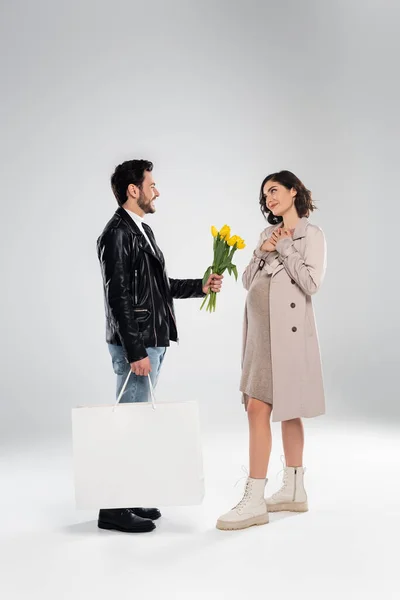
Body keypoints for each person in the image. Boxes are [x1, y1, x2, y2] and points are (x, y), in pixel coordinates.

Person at [97, 159, 223, 533]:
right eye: (151, 184)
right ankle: (112, 508)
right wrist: (135, 350)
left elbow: (158, 287)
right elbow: (117, 297)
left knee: (137, 423)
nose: (157, 190)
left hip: (152, 340)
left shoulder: (143, 230)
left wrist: (199, 285)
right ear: (132, 190)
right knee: (128, 423)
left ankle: (129, 495)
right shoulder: (116, 233)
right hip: (136, 345)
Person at [216, 170, 327, 531]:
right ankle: (293, 492)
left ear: (294, 191)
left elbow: (311, 282)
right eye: (265, 195)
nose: (269, 199)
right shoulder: (267, 234)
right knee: (265, 407)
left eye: (275, 191)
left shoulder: (312, 235)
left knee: (268, 409)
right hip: (259, 335)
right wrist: (263, 252)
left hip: (289, 337)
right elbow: (248, 281)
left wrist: (283, 247)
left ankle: (255, 498)